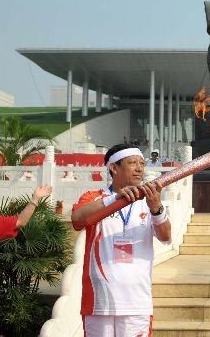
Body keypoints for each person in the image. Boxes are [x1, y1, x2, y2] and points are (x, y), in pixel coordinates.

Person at [71, 144, 171, 336]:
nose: (139, 168)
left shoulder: (149, 201)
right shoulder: (95, 198)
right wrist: (113, 199)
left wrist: (157, 208)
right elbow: (77, 219)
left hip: (137, 303)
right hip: (99, 301)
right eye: (132, 163)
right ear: (113, 168)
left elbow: (166, 236)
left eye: (142, 163)